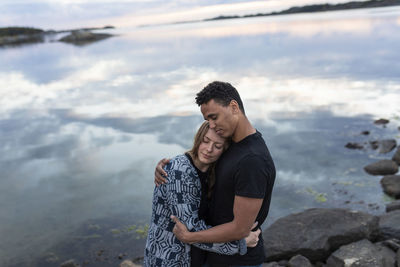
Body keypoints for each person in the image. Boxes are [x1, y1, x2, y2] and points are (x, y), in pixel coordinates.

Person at [155, 81, 276, 267]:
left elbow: (240, 228)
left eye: (214, 117)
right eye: (207, 120)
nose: (211, 125)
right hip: (213, 256)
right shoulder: (232, 142)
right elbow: (202, 167)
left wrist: (191, 237)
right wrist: (172, 167)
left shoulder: (252, 160)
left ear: (234, 107)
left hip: (239, 262)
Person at [144, 121, 260, 267]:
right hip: (168, 259)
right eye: (205, 141)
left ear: (225, 150)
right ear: (198, 139)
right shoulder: (179, 170)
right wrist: (239, 243)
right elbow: (189, 229)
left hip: (195, 258)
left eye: (217, 146)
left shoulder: (214, 172)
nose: (209, 149)